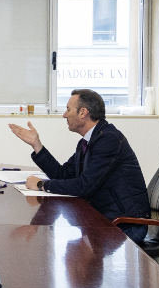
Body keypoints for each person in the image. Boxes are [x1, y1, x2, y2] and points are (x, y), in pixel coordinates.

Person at [8, 88, 149, 243]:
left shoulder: (109, 140)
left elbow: (84, 186)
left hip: (125, 225)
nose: (64, 115)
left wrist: (42, 185)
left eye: (68, 109)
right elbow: (62, 174)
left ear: (83, 113)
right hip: (104, 218)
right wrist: (37, 145)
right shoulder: (88, 141)